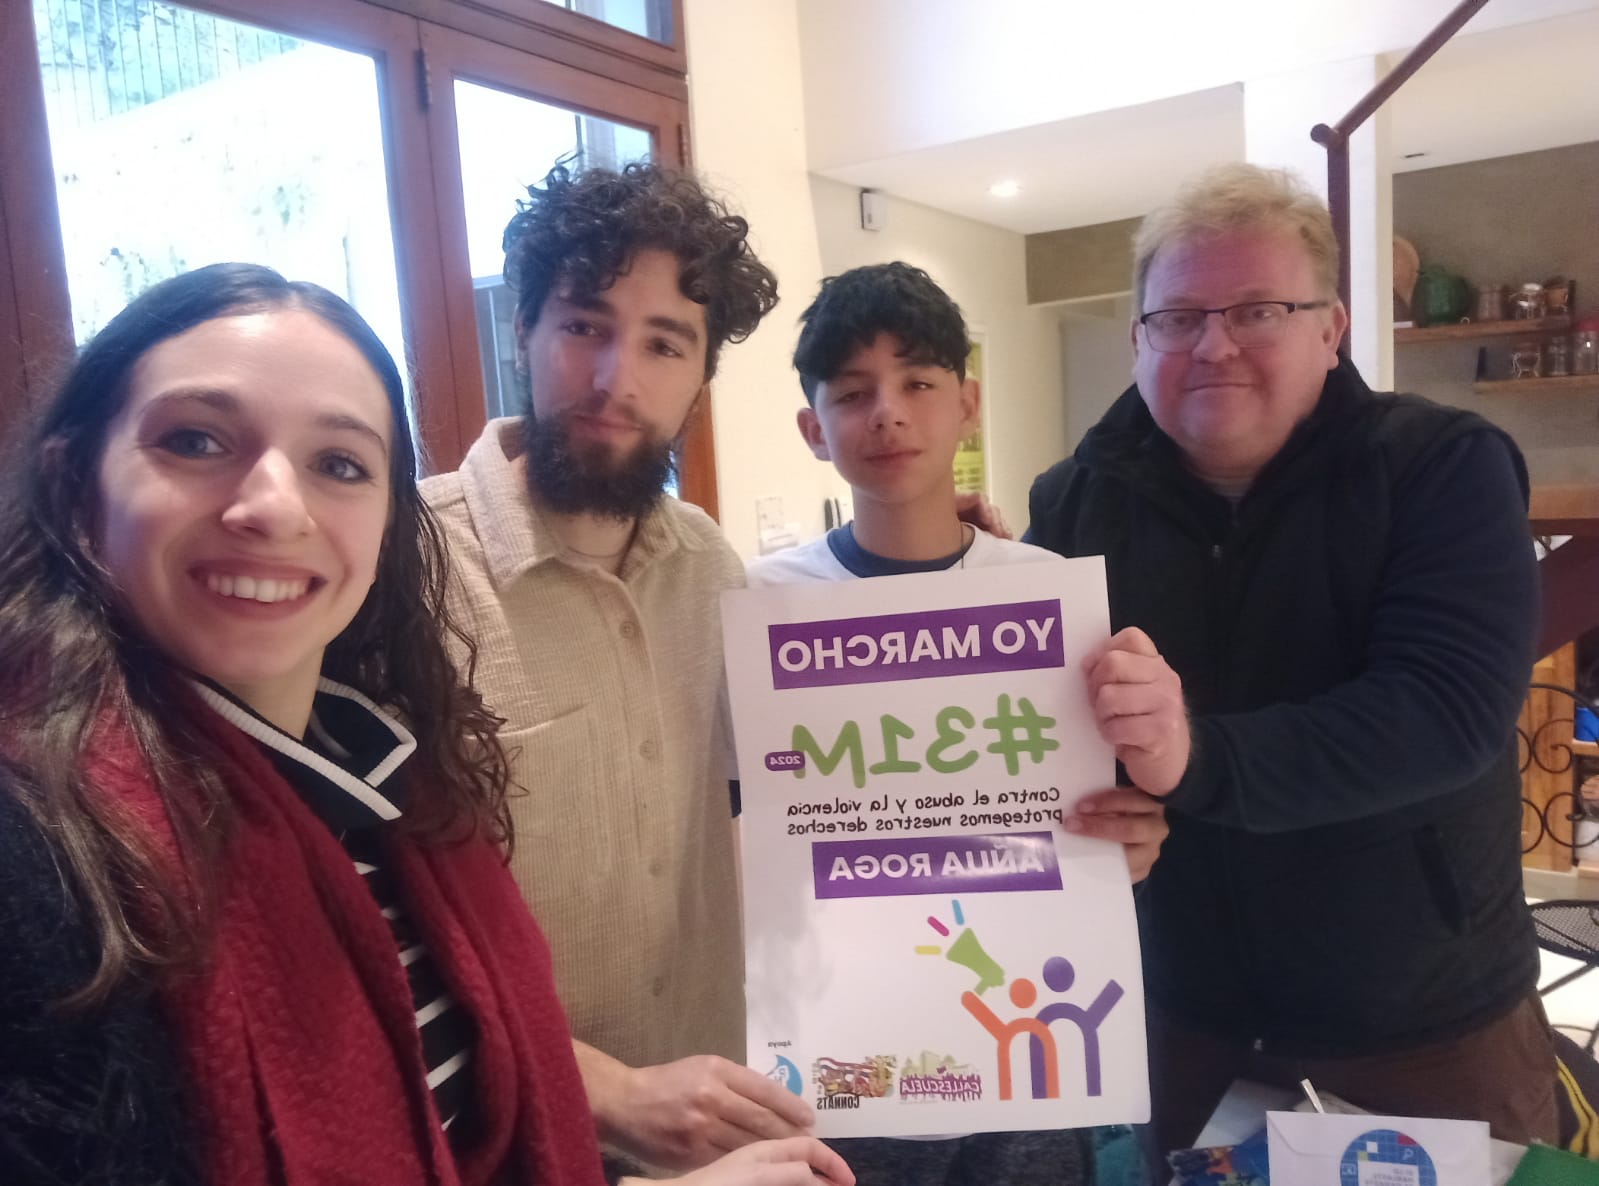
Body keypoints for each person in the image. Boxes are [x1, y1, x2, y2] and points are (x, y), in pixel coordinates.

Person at [0, 263, 852, 1186]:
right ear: (74, 482)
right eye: (195, 440)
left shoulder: (388, 781)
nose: (275, 508)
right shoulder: (41, 855)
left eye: (339, 464)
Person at [1023, 164, 1553, 1163]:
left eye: (1257, 310)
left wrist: (1196, 758)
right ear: (1138, 338)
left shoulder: (1441, 465)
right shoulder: (1071, 501)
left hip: (1421, 1027)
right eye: (1178, 317)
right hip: (1179, 1016)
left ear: (1330, 328)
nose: (1213, 344)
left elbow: (1444, 712)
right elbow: (1050, 740)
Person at [421, 161, 816, 1173]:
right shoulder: (403, 573)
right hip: (504, 1139)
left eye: (664, 344)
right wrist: (605, 1090)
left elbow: (819, 797)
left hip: (713, 1125)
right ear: (524, 330)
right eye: (583, 326)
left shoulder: (711, 566)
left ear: (701, 375)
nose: (616, 380)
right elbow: (354, 917)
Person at [747, 261, 1170, 1186]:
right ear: (812, 430)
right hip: (847, 1049)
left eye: (918, 383)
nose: (886, 414)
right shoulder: (763, 604)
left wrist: (1124, 846)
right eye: (851, 394)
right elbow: (744, 814)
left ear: (968, 404)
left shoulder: (1045, 591)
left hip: (1023, 1048)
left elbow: (1098, 808)